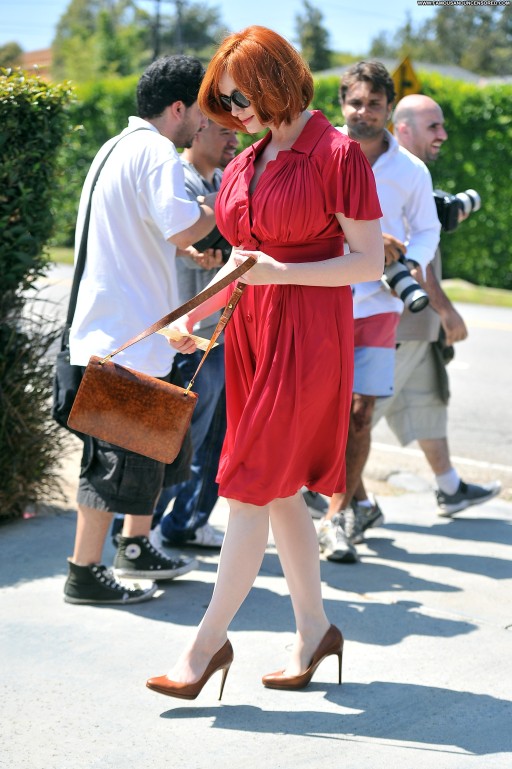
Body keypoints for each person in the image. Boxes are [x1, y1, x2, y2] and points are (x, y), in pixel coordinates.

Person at [145, 25, 384, 700]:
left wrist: (284, 272)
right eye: (224, 101)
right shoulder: (250, 158)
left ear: (275, 80)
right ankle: (315, 630)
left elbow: (367, 262)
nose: (233, 112)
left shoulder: (336, 153)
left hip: (307, 339)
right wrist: (191, 317)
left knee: (249, 485)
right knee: (276, 492)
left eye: (241, 97)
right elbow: (243, 263)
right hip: (252, 332)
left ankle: (205, 645)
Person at [64, 55, 220, 606]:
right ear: (178, 107)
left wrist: (188, 239)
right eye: (201, 110)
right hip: (123, 338)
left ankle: (135, 546)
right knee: (110, 465)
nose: (205, 122)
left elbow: (152, 231)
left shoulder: (116, 147)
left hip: (120, 332)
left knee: (146, 452)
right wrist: (217, 208)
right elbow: (183, 226)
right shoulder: (155, 152)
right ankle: (84, 573)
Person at [350, 94, 501, 530]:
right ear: (403, 129)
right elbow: (413, 266)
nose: (443, 135)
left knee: (428, 400)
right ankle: (336, 498)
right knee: (359, 417)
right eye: (433, 126)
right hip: (396, 317)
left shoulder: (415, 176)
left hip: (416, 322)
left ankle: (449, 486)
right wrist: (447, 310)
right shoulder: (380, 174)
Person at [317, 61, 441, 563]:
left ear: (389, 108)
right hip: (323, 299)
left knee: (360, 414)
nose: (363, 112)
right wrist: (369, 239)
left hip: (379, 306)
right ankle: (360, 501)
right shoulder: (320, 155)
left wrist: (408, 262)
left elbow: (427, 229)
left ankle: (336, 518)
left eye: (374, 103)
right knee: (323, 415)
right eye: (355, 102)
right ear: (342, 104)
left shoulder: (410, 170)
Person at [154, 119, 239, 549]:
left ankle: (185, 523)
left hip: (221, 333)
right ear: (199, 130)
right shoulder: (179, 179)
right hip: (185, 336)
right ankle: (140, 531)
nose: (235, 140)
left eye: (236, 132)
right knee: (179, 442)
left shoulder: (224, 180)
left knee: (213, 442)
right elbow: (178, 242)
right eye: (225, 132)